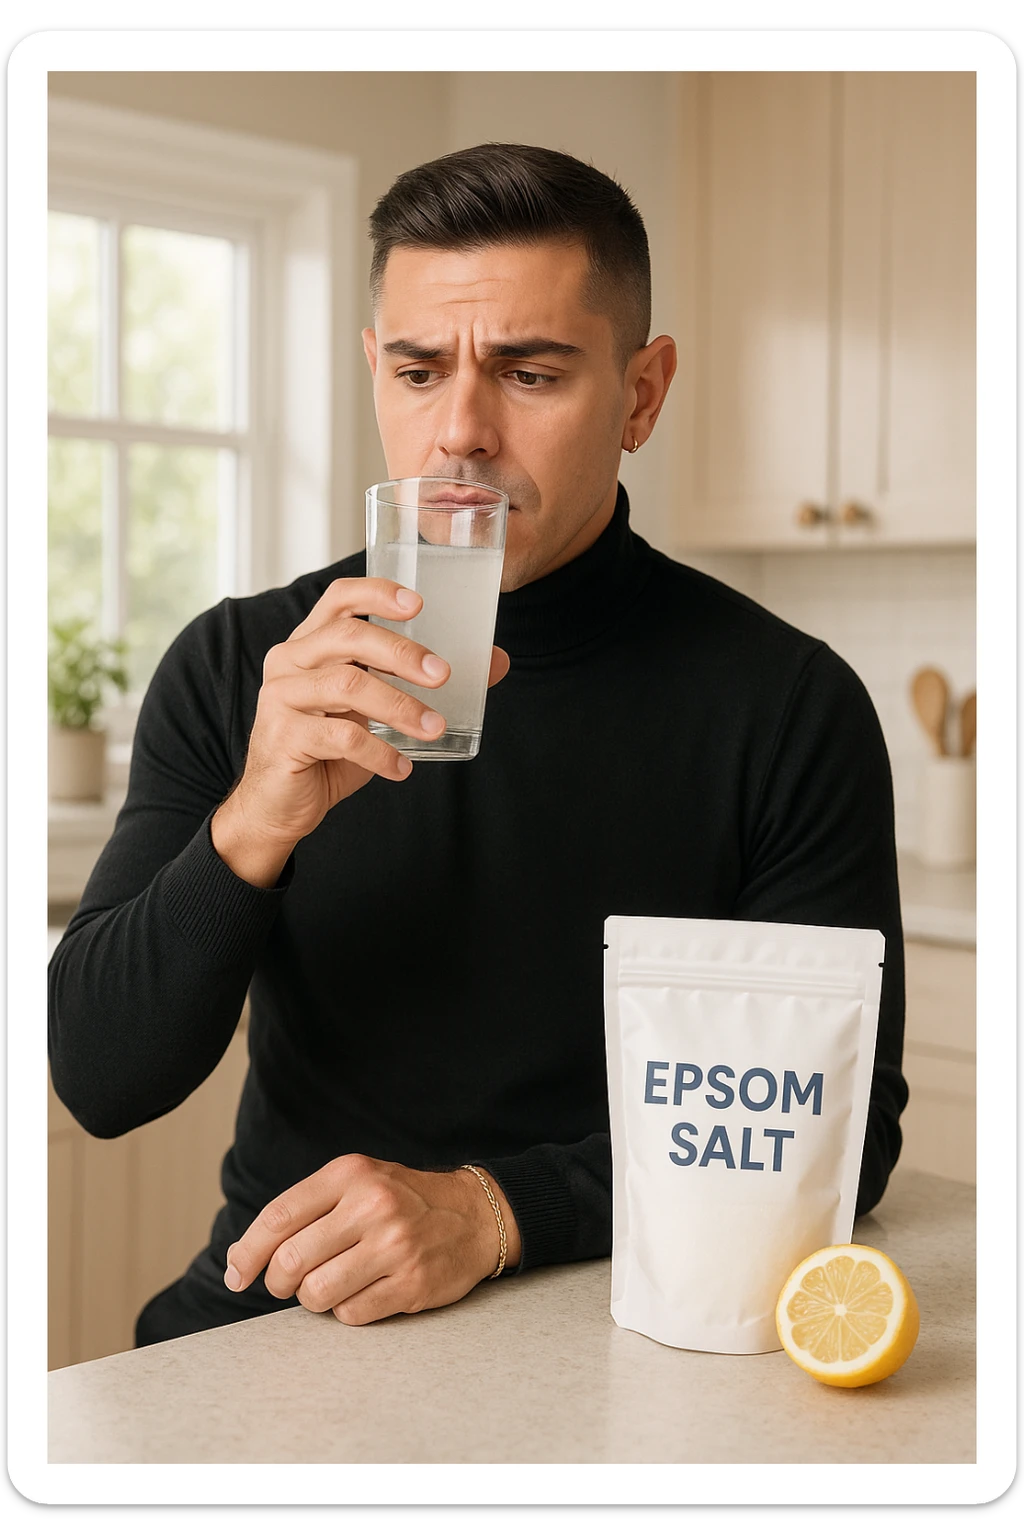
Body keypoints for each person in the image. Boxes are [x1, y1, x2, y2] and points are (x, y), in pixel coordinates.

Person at [47, 143, 908, 1346]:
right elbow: (99, 1081)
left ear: (642, 394)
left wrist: (496, 1210)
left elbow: (845, 1130)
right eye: (417, 370)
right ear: (376, 375)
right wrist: (258, 818)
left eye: (529, 373)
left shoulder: (785, 705)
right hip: (283, 1316)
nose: (458, 431)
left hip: (610, 1316)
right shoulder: (242, 664)